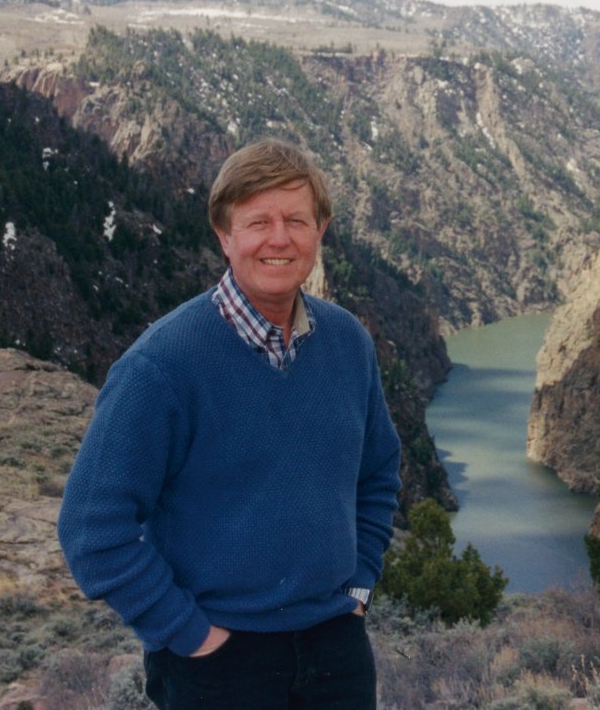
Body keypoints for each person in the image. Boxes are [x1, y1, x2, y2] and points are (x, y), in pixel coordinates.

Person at [57, 139, 401, 709]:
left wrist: (360, 585)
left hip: (335, 648)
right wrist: (190, 634)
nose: (279, 238)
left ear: (322, 230)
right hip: (217, 665)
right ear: (224, 235)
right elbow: (92, 529)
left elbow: (379, 474)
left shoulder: (348, 343)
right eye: (257, 221)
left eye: (296, 219)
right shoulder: (162, 365)